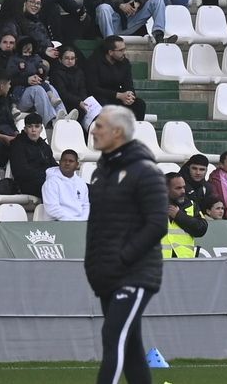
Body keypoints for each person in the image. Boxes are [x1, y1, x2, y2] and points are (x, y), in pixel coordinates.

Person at [85, 105, 168, 384]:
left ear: (117, 132)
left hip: (134, 272)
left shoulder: (146, 172)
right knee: (131, 347)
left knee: (113, 336)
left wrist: (123, 258)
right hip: (107, 272)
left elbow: (158, 224)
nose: (93, 130)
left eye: (99, 126)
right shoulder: (100, 173)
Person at [7, 37, 65, 125]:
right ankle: (51, 121)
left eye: (29, 52)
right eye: (25, 52)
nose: (28, 54)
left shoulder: (35, 58)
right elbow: (9, 78)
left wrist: (40, 73)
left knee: (50, 87)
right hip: (19, 93)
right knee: (38, 89)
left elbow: (42, 72)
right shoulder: (14, 59)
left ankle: (63, 116)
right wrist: (26, 80)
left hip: (34, 86)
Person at [87, 37, 147, 121]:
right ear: (110, 52)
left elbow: (128, 84)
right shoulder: (94, 62)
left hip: (117, 97)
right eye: (120, 50)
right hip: (99, 97)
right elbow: (93, 88)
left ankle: (135, 132)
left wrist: (130, 96)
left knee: (139, 104)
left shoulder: (124, 63)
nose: (124, 52)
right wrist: (118, 95)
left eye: (124, 49)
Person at [10, 115, 59, 198]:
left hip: (47, 180)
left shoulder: (44, 146)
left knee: (81, 186)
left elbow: (53, 165)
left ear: (41, 129)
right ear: (25, 129)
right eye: (30, 127)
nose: (33, 130)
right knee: (52, 188)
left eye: (37, 126)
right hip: (27, 184)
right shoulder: (17, 145)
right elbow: (21, 172)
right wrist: (48, 175)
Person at [162, 173, 208, 257]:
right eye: (178, 188)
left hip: (185, 261)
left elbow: (202, 229)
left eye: (183, 187)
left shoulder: (191, 205)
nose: (183, 191)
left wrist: (179, 215)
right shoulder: (151, 207)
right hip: (160, 262)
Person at [48, 48, 95, 127]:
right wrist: (78, 102)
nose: (70, 61)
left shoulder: (79, 72)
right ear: (60, 59)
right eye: (66, 58)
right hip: (64, 103)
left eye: (72, 59)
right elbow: (62, 93)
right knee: (80, 111)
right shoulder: (56, 73)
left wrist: (84, 100)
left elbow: (82, 89)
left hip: (79, 102)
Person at [43, 149, 90, 222]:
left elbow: (86, 205)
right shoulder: (51, 182)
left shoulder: (81, 183)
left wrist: (81, 220)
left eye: (71, 161)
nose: (67, 163)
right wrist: (73, 221)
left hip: (80, 223)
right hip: (58, 224)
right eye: (64, 160)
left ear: (77, 165)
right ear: (59, 162)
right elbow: (52, 209)